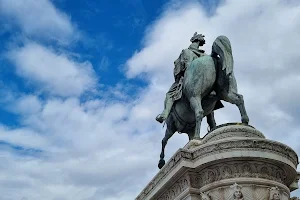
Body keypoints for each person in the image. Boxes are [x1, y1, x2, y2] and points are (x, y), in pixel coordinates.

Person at [156, 32, 206, 123]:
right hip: (203, 79)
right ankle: (211, 122)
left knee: (169, 94)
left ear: (193, 40)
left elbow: (186, 66)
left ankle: (164, 114)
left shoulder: (187, 51)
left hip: (187, 77)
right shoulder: (203, 55)